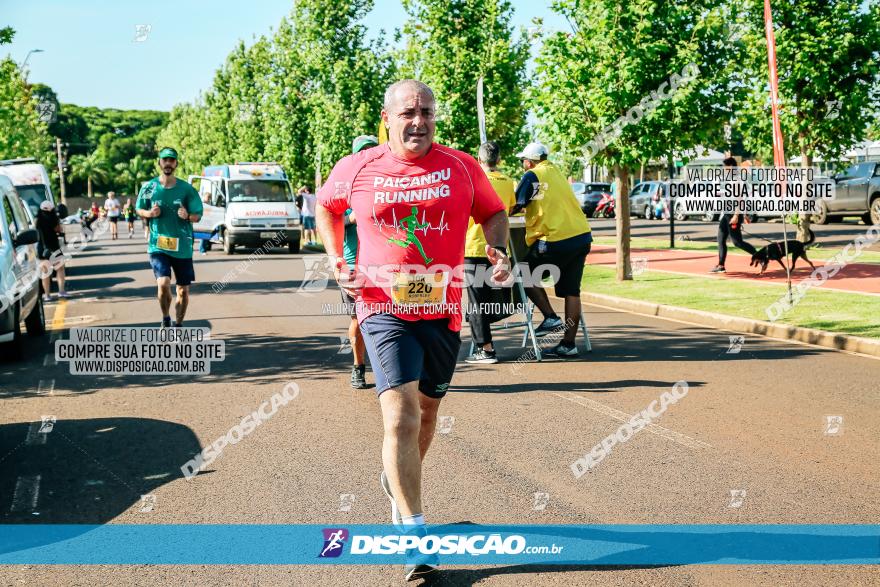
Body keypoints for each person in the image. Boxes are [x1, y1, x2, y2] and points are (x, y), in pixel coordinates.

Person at [316, 79, 510, 581]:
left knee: (426, 417)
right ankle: (414, 537)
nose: (418, 120)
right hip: (381, 307)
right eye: (407, 112)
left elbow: (492, 211)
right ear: (388, 118)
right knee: (399, 418)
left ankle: (396, 480)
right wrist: (338, 259)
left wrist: (498, 247)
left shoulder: (462, 166)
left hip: (443, 309)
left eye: (426, 111)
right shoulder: (356, 168)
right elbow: (326, 208)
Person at [511, 142, 593, 358]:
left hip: (555, 239)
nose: (522, 165)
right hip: (581, 236)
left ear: (528, 161)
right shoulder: (555, 171)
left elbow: (516, 205)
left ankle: (550, 317)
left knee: (522, 272)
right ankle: (568, 344)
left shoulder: (532, 175)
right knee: (572, 291)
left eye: (523, 161)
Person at [135, 147, 203, 328]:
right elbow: (139, 208)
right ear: (159, 163)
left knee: (183, 291)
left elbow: (198, 214)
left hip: (182, 247)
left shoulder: (186, 189)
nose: (168, 163)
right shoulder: (149, 187)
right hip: (158, 244)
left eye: (171, 160)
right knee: (164, 283)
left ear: (176, 164)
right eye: (164, 160)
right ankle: (166, 317)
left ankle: (178, 324)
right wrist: (149, 213)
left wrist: (188, 216)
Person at [464, 141, 516, 364]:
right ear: (499, 160)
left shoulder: (473, 180)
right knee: (492, 299)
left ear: (478, 160)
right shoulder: (508, 181)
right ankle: (483, 335)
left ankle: (486, 349)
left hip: (474, 245)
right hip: (499, 248)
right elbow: (509, 209)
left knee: (476, 302)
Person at [344, 134, 379, 389]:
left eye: (372, 149)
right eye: (363, 151)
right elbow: (330, 219)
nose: (368, 154)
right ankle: (358, 367)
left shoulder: (385, 180)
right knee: (359, 318)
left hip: (383, 263)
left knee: (389, 317)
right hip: (353, 263)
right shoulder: (343, 183)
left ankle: (390, 368)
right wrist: (351, 218)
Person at [710, 157, 757, 273]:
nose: (723, 169)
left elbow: (740, 199)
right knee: (720, 239)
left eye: (725, 167)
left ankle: (759, 256)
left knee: (737, 242)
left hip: (733, 214)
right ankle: (721, 265)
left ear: (730, 167)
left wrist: (737, 215)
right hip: (726, 214)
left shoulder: (737, 180)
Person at [35, 200, 67, 300]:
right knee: (60, 269)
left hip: (42, 248)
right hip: (53, 247)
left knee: (45, 272)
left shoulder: (37, 220)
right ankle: (61, 291)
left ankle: (47, 295)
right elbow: (59, 230)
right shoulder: (54, 219)